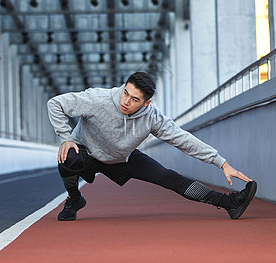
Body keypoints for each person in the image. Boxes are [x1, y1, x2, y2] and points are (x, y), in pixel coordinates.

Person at [47, 72, 257, 221]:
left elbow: (182, 139)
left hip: (123, 157)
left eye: (135, 99)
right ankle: (74, 199)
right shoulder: (97, 99)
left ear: (146, 103)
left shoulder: (152, 118)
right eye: (125, 93)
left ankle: (230, 203)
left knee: (169, 177)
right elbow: (55, 104)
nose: (126, 101)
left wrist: (221, 162)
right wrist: (66, 137)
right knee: (68, 157)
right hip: (87, 152)